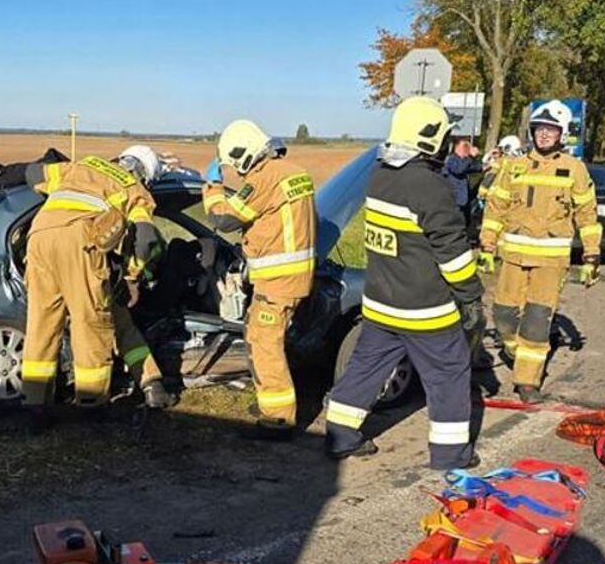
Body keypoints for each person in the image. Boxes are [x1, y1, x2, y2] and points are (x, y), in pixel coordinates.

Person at [324, 96, 484, 470]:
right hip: (425, 308)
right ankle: (451, 454)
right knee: (449, 373)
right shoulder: (429, 185)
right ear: (430, 139)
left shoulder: (380, 174)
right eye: (445, 136)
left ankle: (340, 436)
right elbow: (453, 253)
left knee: (364, 368)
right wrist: (471, 297)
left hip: (381, 302)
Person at [20, 146, 163, 424]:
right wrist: (133, 276)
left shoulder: (81, 165)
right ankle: (90, 403)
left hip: (38, 237)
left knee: (41, 324)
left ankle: (35, 406)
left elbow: (31, 173)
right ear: (145, 173)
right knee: (91, 323)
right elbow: (146, 239)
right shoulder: (135, 188)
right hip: (78, 241)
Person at [477, 99, 602, 403]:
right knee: (504, 314)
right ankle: (515, 350)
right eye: (540, 129)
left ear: (561, 134)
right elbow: (496, 208)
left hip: (551, 261)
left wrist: (591, 255)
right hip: (513, 256)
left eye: (551, 129)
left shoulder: (574, 169)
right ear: (532, 131)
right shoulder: (513, 166)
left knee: (536, 320)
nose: (544, 135)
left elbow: (587, 214)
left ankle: (527, 381)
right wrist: (487, 245)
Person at [203, 120, 316, 441]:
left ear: (242, 154)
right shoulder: (295, 172)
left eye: (232, 164)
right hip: (293, 275)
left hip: (277, 280)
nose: (236, 173)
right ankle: (274, 408)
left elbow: (223, 218)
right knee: (261, 337)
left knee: (265, 345)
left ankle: (278, 421)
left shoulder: (264, 178)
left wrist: (212, 186)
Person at [443, 137, 484, 226]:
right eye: (465, 146)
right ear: (457, 147)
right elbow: (459, 169)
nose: (467, 149)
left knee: (465, 223)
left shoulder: (464, 161)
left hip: (463, 201)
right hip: (454, 200)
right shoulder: (451, 159)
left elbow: (476, 167)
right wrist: (470, 156)